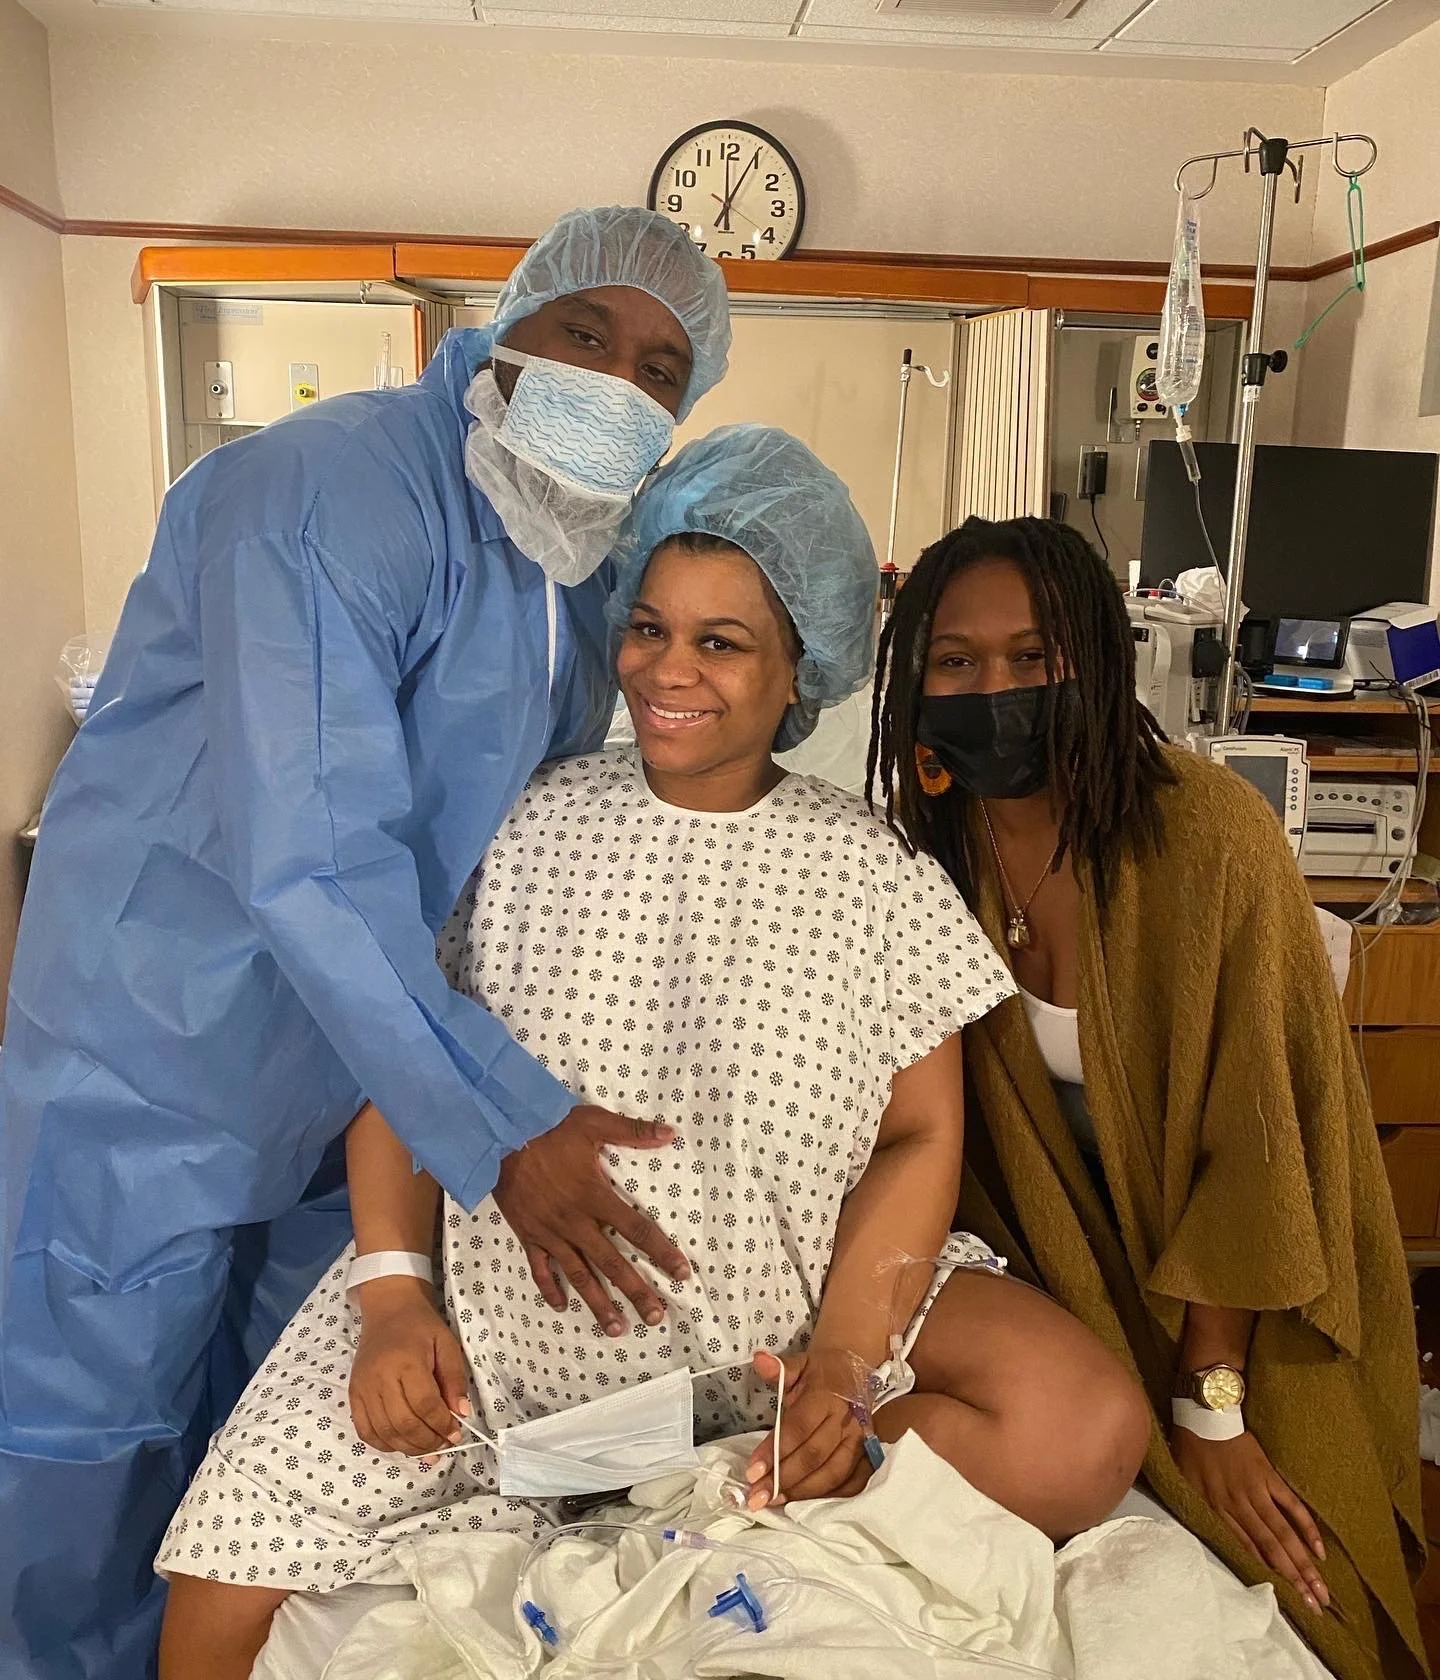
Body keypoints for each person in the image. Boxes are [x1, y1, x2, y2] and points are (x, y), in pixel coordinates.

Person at [153, 428, 1151, 1680]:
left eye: (722, 642)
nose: (668, 669)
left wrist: (840, 1364)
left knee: (1086, 1427)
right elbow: (402, 1059)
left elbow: (918, 1132)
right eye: (648, 628)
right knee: (211, 1602)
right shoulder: (519, 823)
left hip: (765, 1350)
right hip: (501, 1362)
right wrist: (396, 1295)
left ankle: (729, 1472)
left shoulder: (873, 871)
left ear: (803, 672)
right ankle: (598, 1476)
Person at [0, 206, 732, 1680]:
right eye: (586, 333)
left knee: (281, 1421)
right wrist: (504, 1125)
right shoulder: (326, 492)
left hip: (363, 1076)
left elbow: (510, 841)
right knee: (92, 1429)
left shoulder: (571, 569)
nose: (619, 381)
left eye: (662, 368)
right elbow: (318, 861)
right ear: (508, 324)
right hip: (160, 1044)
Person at [868, 514, 1425, 1680]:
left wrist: (1209, 1403)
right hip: (1061, 1279)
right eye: (956, 662)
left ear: (1099, 663)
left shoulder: (1208, 841)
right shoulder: (928, 855)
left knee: (1299, 1571)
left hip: (1249, 1291)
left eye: (1033, 657)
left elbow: (1261, 1157)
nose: (994, 688)